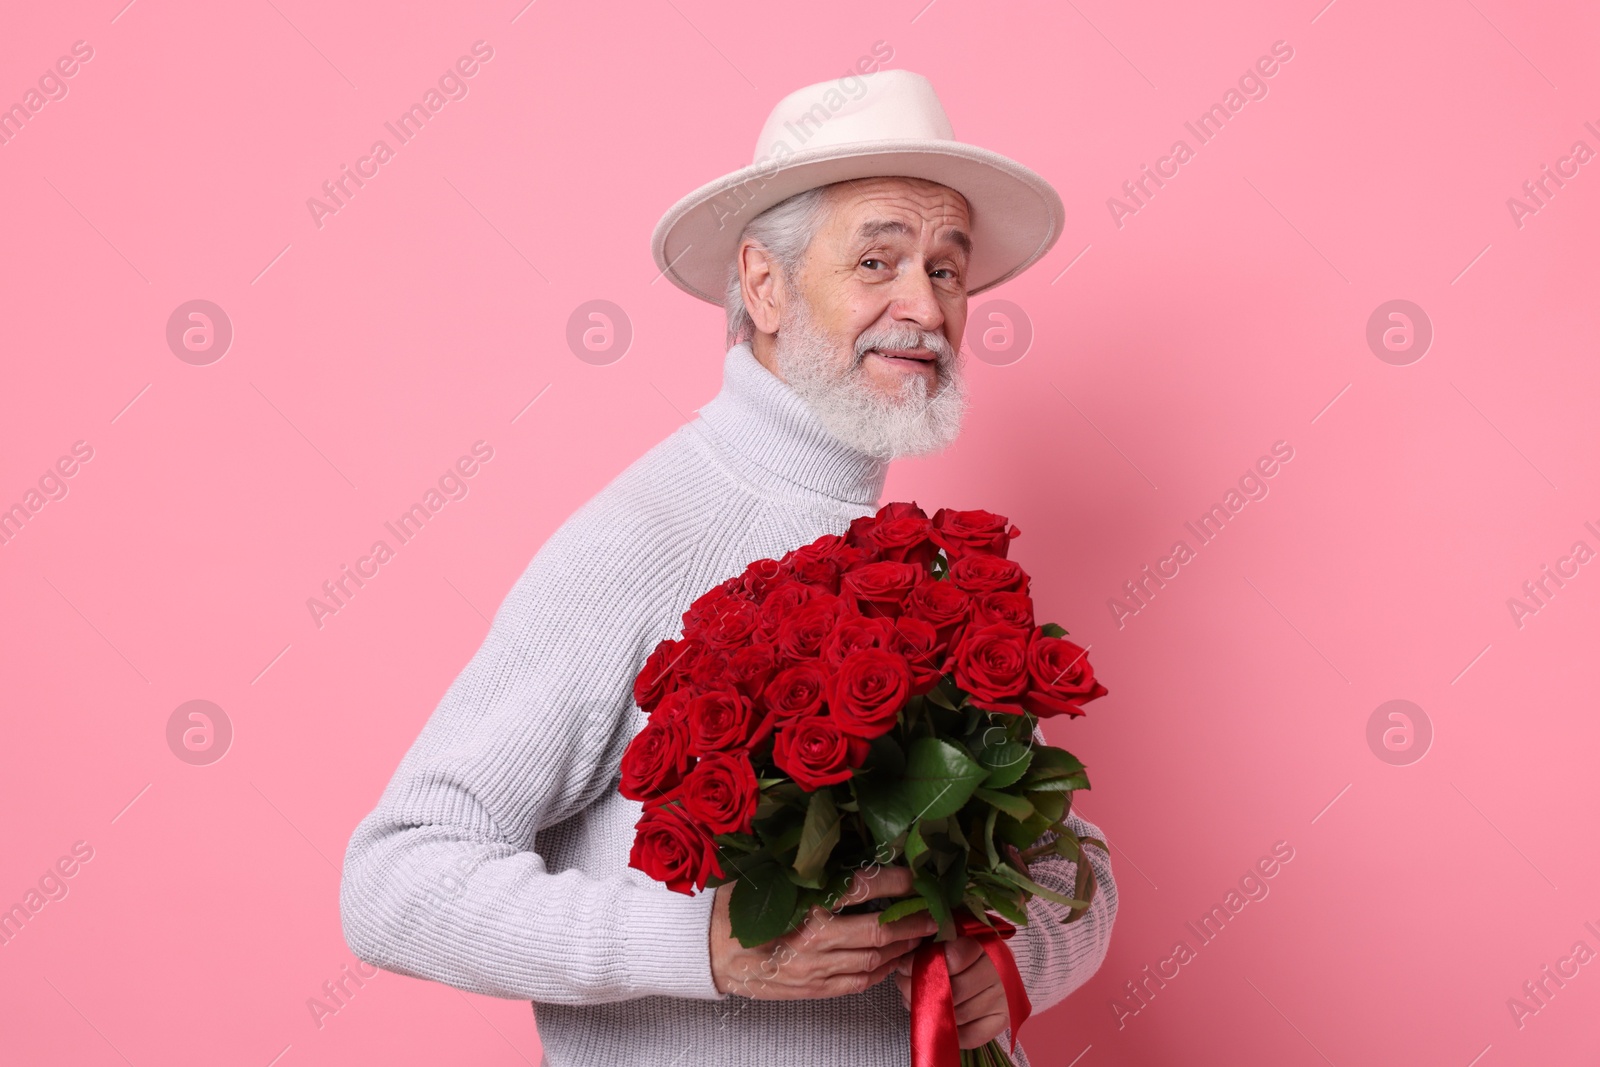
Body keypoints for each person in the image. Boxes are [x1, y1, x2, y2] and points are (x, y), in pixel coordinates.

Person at [340, 68, 1116, 1067]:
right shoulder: (640, 537)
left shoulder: (929, 568)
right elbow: (395, 878)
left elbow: (1069, 854)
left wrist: (1010, 963)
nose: (922, 306)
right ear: (762, 284)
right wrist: (706, 945)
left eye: (946, 269)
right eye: (876, 260)